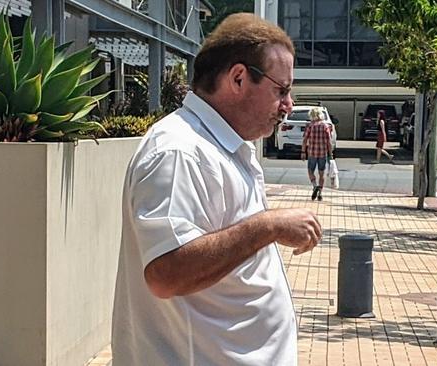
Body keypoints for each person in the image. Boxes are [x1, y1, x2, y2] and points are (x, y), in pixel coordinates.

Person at [111, 13, 322, 366]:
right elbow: (166, 272)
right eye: (281, 90)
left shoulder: (223, 146)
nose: (289, 105)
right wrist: (268, 226)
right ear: (238, 78)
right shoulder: (179, 152)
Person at [301, 106, 333, 201]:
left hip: (312, 152)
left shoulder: (310, 126)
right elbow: (329, 142)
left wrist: (303, 151)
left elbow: (305, 140)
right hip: (322, 153)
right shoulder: (325, 126)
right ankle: (320, 192)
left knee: (310, 170)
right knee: (321, 173)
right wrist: (330, 153)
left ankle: (314, 186)